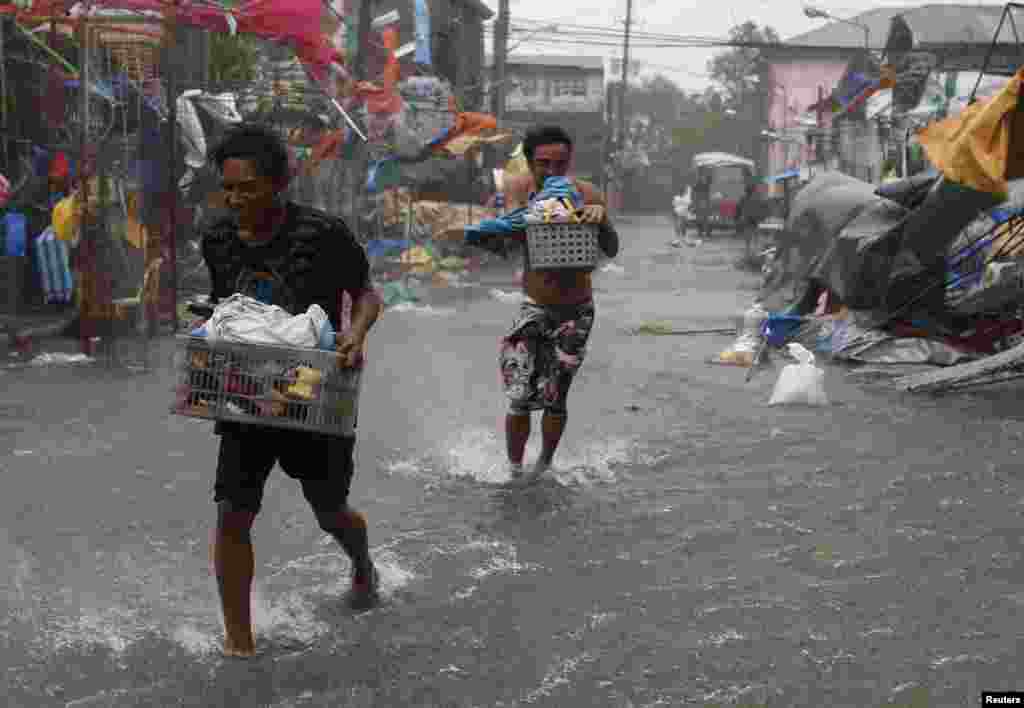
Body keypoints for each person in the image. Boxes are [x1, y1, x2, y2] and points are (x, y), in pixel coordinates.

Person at [198, 124, 383, 657]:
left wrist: (355, 331)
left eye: (247, 187)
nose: (236, 200)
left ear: (279, 184)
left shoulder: (324, 233)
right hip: (246, 394)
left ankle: (361, 563)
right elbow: (223, 308)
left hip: (315, 392)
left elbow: (367, 295)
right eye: (227, 189)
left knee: (330, 509)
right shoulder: (217, 240)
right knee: (233, 511)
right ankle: (240, 642)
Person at [499, 125, 620, 481]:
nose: (552, 172)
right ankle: (514, 469)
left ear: (570, 162)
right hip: (534, 304)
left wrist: (601, 221)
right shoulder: (519, 190)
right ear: (528, 162)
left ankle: (544, 465)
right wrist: (532, 213)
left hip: (577, 309)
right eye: (543, 164)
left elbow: (611, 249)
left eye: (560, 164)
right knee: (520, 394)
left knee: (556, 395)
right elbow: (506, 240)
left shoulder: (588, 193)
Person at [691, 168, 713, 240]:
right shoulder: (699, 184)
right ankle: (703, 233)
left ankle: (705, 233)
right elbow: (694, 191)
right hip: (701, 202)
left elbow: (709, 181)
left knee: (704, 219)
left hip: (704, 202)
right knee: (702, 219)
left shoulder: (705, 184)